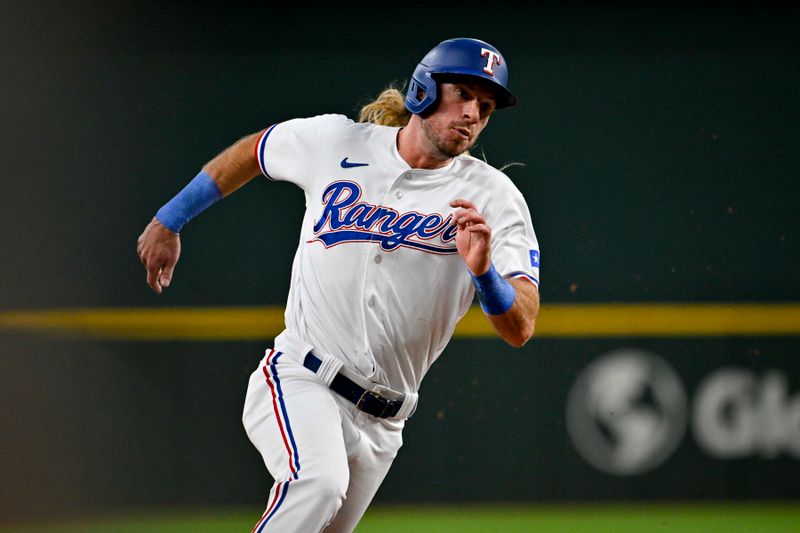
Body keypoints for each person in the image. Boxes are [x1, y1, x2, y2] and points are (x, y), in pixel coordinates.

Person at [136, 37, 540, 533]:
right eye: (462, 93)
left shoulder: (494, 197)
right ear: (422, 91)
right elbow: (255, 151)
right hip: (303, 376)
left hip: (386, 420)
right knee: (318, 483)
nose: (473, 113)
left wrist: (484, 275)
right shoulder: (337, 142)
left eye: (486, 105)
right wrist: (170, 220)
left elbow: (521, 325)